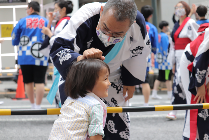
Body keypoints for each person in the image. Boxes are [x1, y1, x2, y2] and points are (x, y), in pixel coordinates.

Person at [49, 0, 151, 139]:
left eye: (117, 34)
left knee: (116, 126)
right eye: (105, 28)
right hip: (79, 75)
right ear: (102, 11)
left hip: (111, 78)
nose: (109, 36)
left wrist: (130, 80)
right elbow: (59, 48)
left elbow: (139, 51)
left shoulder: (137, 23)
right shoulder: (86, 15)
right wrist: (80, 59)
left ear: (131, 23)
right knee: (76, 127)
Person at [49, 59, 110, 140]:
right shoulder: (95, 106)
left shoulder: (71, 99)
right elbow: (95, 136)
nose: (109, 83)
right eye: (105, 79)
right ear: (88, 82)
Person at [11, 1, 49, 109]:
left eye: (27, 9)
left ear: (31, 9)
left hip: (25, 56)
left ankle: (32, 105)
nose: (27, 11)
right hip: (41, 55)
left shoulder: (22, 21)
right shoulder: (45, 21)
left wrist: (16, 42)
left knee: (28, 81)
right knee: (40, 80)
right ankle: (38, 105)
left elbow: (14, 37)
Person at [166, 1, 199, 120]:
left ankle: (186, 109)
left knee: (184, 83)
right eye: (176, 7)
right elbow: (172, 44)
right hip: (177, 56)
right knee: (178, 83)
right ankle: (176, 110)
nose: (178, 9)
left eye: (180, 7)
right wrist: (173, 62)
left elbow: (196, 40)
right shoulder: (176, 25)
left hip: (188, 56)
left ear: (185, 9)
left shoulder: (190, 22)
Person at [41, 0, 73, 108]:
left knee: (62, 88)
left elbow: (61, 41)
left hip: (63, 60)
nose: (54, 12)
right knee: (58, 88)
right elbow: (50, 38)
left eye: (56, 9)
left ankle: (63, 112)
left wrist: (49, 33)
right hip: (59, 60)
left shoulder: (67, 21)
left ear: (63, 10)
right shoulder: (61, 22)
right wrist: (50, 22)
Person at [180, 23, 209, 140]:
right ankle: (190, 136)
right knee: (195, 101)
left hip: (204, 65)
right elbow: (201, 57)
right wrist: (200, 84)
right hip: (192, 61)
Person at [140, 5, 159, 102]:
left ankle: (127, 103)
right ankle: (146, 104)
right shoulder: (152, 28)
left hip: (132, 54)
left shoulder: (135, 24)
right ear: (150, 16)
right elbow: (155, 45)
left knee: (128, 79)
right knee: (145, 80)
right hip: (146, 56)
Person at [152, 21, 172, 100]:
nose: (168, 28)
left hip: (159, 60)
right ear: (164, 27)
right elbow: (166, 48)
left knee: (160, 77)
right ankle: (170, 95)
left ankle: (154, 93)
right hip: (166, 61)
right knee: (168, 78)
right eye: (167, 26)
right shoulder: (165, 36)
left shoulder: (158, 35)